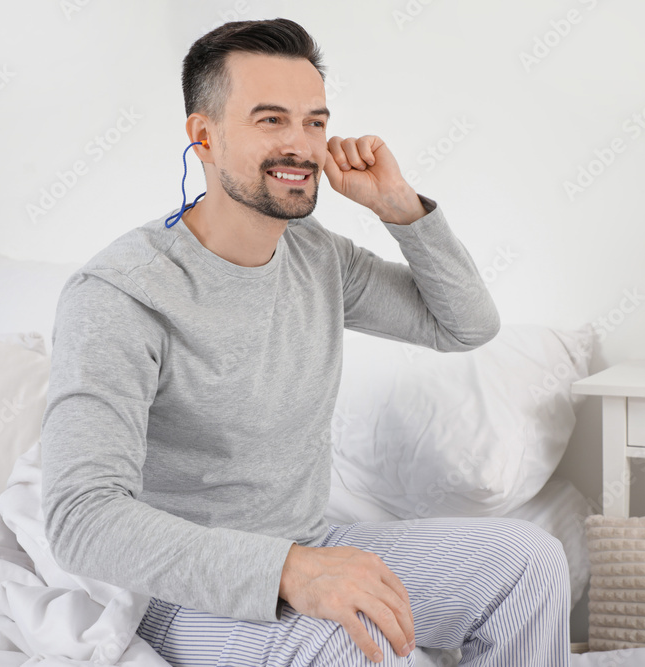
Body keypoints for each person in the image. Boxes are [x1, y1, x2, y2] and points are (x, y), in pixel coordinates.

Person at [40, 17, 570, 667]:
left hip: (309, 546)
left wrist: (400, 207)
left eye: (314, 122)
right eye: (270, 120)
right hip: (179, 593)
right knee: (351, 645)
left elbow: (463, 324)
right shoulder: (119, 294)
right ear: (203, 136)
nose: (301, 145)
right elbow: (81, 518)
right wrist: (291, 571)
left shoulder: (315, 256)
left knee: (531, 563)